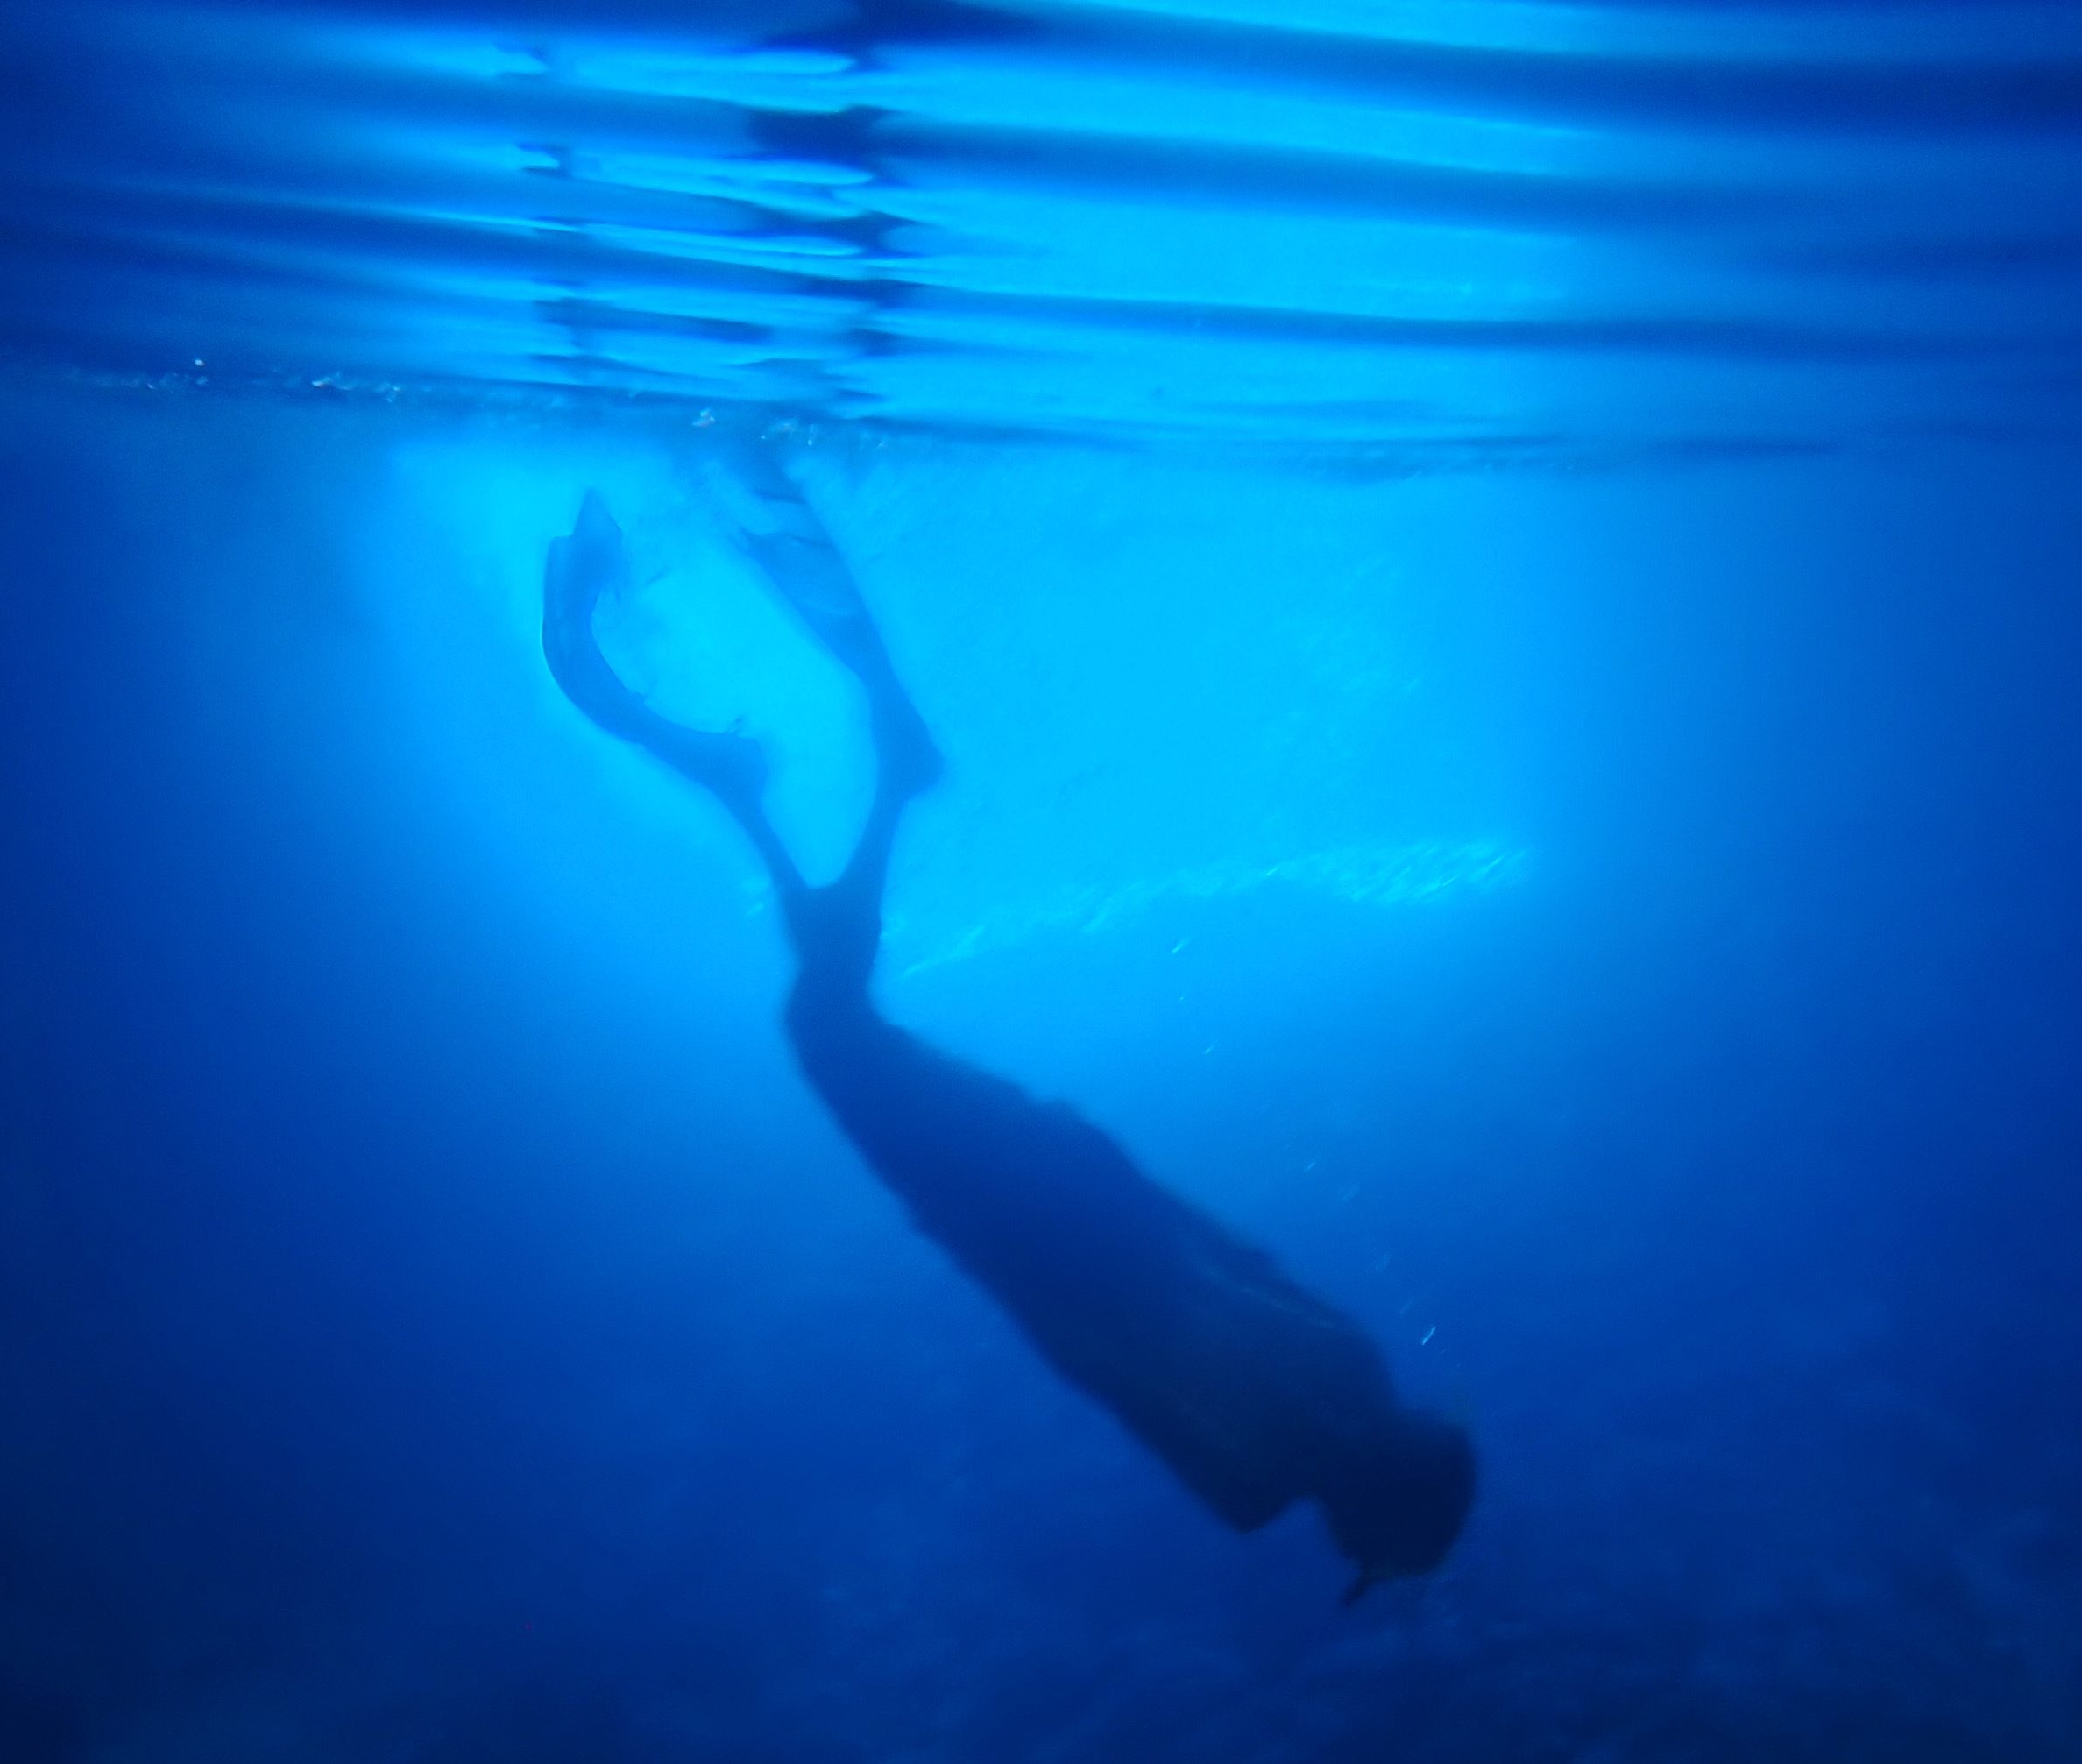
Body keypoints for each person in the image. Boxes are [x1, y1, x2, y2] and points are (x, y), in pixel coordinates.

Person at [542, 452, 1474, 1603]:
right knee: (831, 1031)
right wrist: (974, 1236)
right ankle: (867, 778)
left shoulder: (1359, 1364)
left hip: (1071, 1174)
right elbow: (1098, 1363)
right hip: (1022, 1221)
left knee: (836, 1023)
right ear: (1374, 1513)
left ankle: (789, 795)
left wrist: (1079, 1154)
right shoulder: (1252, 1484)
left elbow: (1230, 1255)